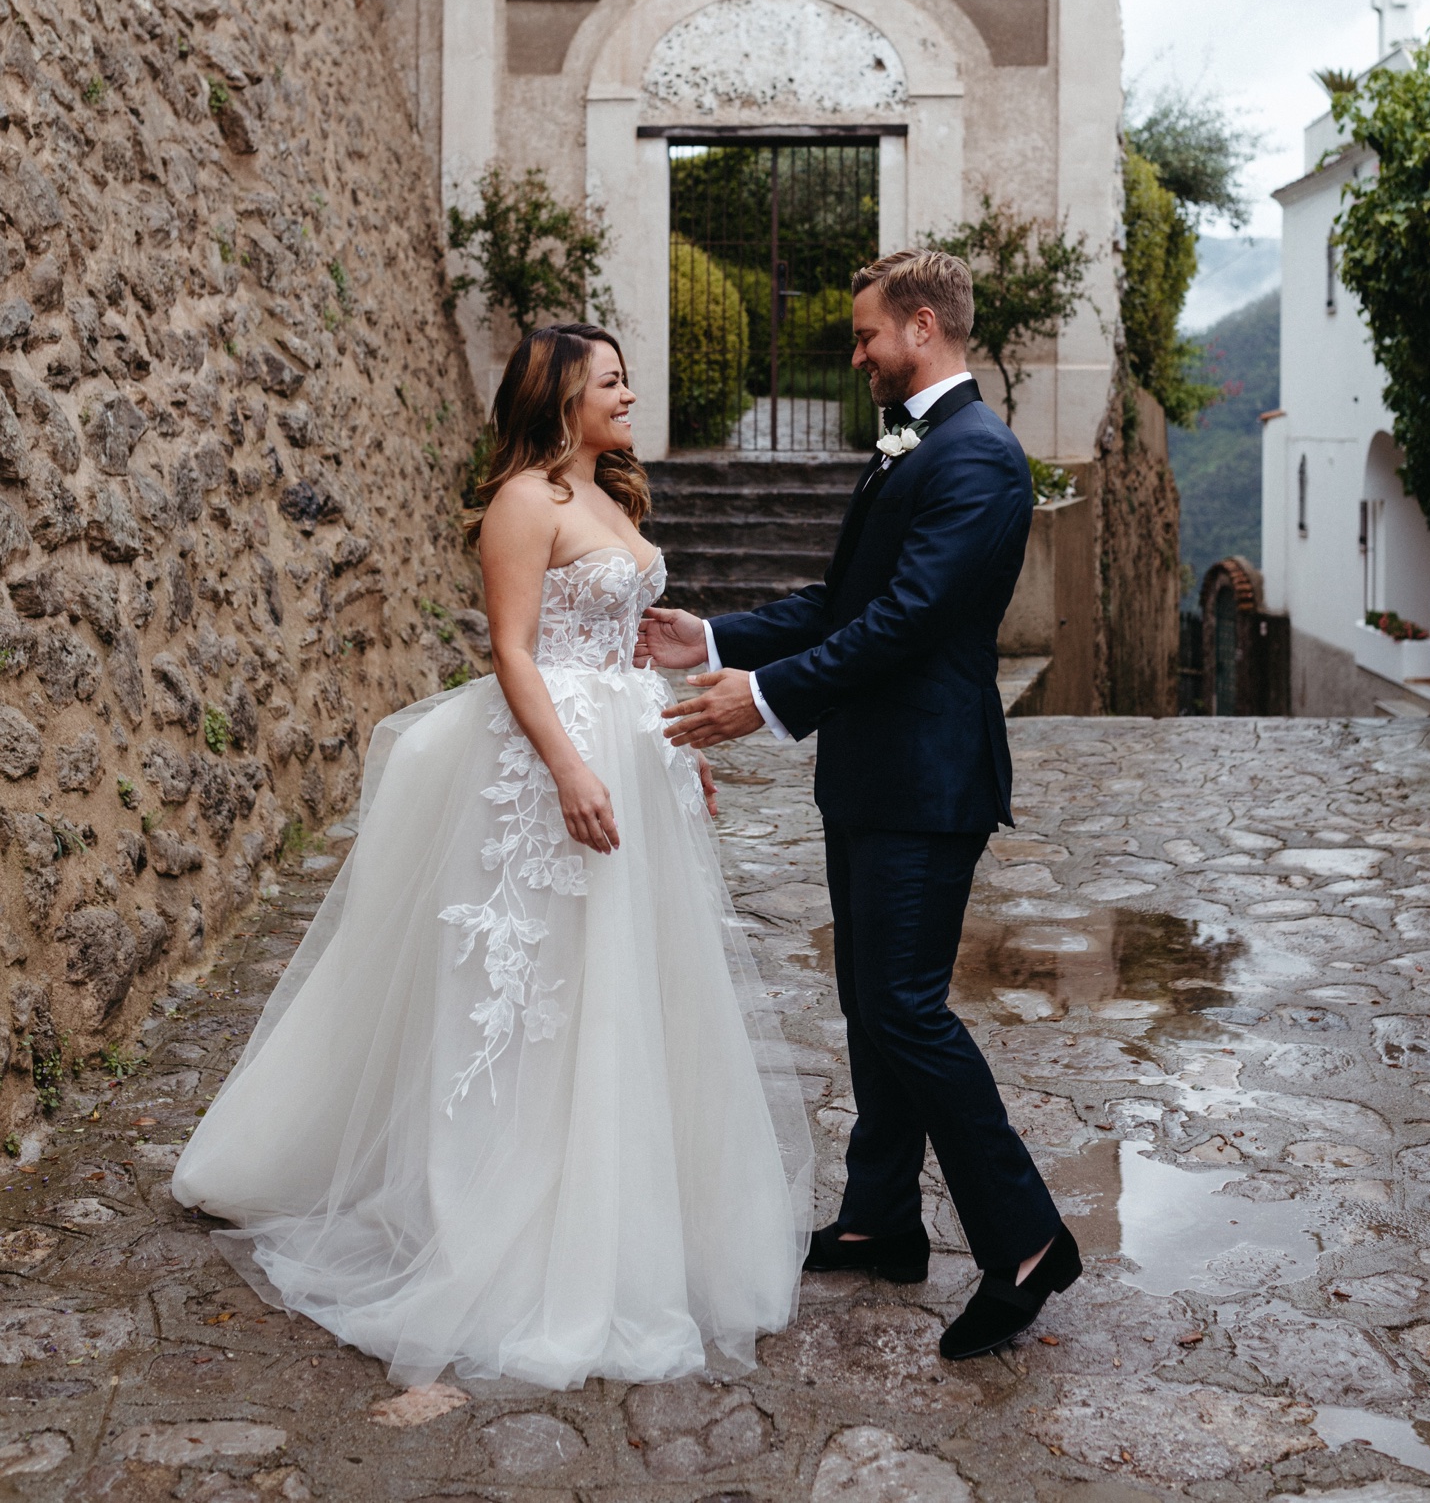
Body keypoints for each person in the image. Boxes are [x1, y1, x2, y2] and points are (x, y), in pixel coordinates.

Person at [173, 323, 812, 1390]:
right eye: (610, 381)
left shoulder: (609, 496)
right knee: (536, 994)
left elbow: (619, 646)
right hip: (548, 761)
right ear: (562, 396)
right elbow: (512, 648)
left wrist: (675, 749)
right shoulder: (526, 502)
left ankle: (620, 1205)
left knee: (630, 987)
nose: (628, 395)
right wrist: (568, 768)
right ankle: (498, 1213)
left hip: (631, 753)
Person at [638, 250, 1080, 1359]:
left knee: (905, 1009)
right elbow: (847, 600)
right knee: (872, 1005)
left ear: (922, 327)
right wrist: (718, 638)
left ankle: (1025, 1240)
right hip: (873, 776)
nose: (858, 353)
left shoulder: (980, 457)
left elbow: (912, 620)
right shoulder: (917, 446)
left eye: (867, 334)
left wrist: (768, 700)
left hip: (928, 783)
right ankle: (881, 1215)